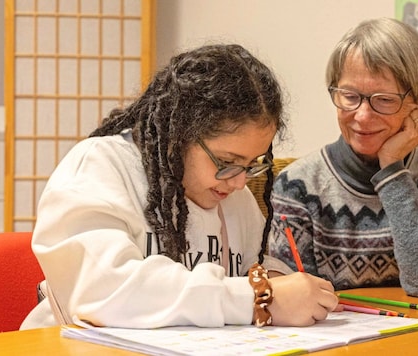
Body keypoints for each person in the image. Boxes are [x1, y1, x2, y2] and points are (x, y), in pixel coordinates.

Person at [21, 44, 338, 330]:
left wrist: (281, 284)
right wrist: (258, 298)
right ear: (179, 135)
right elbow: (106, 292)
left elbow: (261, 271)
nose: (241, 182)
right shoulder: (98, 167)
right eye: (227, 161)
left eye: (253, 163)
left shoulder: (234, 195)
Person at [264, 18, 418, 298]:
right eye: (349, 96)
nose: (362, 116)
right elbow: (294, 298)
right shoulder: (297, 185)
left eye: (384, 100)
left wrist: (393, 171)